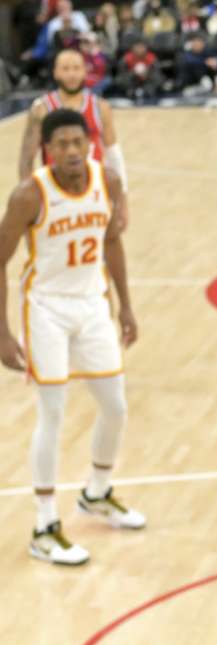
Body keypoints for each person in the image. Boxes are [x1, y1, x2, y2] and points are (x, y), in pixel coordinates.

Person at [0, 109, 145, 566]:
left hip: (92, 304)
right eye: (59, 144)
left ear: (89, 144)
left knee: (115, 407)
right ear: (48, 150)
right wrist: (3, 333)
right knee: (53, 412)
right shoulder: (30, 194)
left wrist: (125, 305)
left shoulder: (109, 183)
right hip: (45, 308)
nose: (69, 151)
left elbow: (112, 243)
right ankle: (44, 525)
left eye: (76, 142)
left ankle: (97, 492)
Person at [17, 48, 129, 226]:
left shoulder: (101, 107)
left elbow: (114, 154)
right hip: (55, 193)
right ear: (55, 72)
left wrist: (122, 199)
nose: (71, 74)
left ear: (85, 71)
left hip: (95, 192)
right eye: (65, 68)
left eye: (76, 68)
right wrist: (27, 202)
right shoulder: (41, 109)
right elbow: (26, 160)